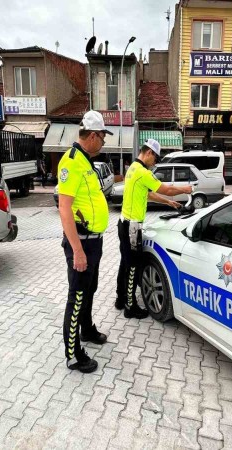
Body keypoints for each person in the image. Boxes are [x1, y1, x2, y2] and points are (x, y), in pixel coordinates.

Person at [57, 111, 111, 373]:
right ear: (92, 135)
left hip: (94, 242)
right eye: (102, 137)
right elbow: (64, 209)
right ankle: (73, 354)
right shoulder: (71, 162)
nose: (103, 142)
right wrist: (77, 250)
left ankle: (87, 330)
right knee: (76, 297)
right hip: (81, 243)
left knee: (90, 290)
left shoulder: (86, 161)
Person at [115, 139, 193, 318]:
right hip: (132, 227)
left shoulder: (132, 169)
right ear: (149, 153)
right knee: (133, 266)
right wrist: (186, 189)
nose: (155, 162)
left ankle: (120, 298)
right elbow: (165, 188)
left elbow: (148, 193)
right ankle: (130, 307)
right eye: (155, 158)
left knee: (125, 263)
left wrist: (167, 202)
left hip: (123, 223)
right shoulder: (143, 172)